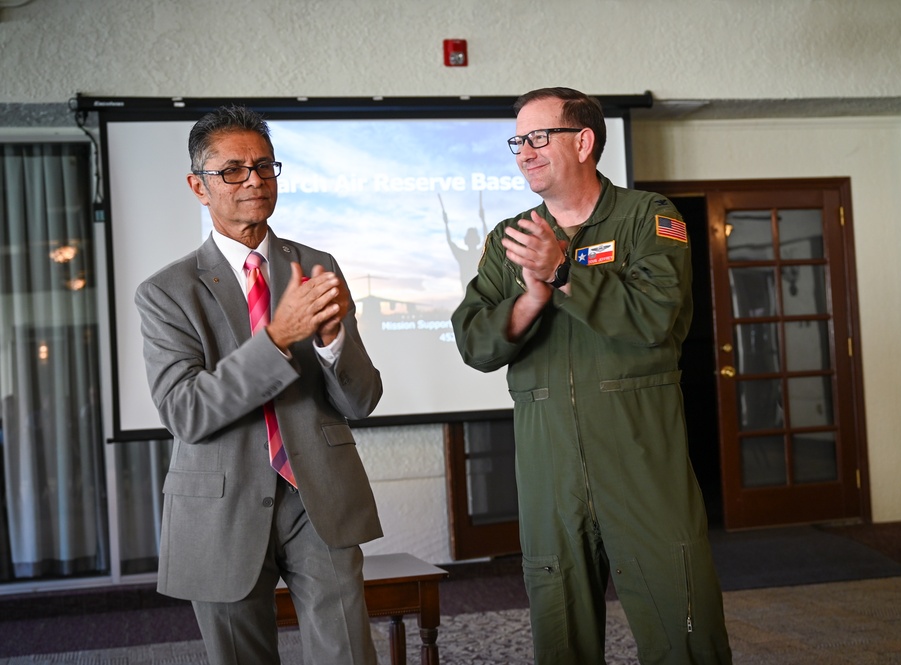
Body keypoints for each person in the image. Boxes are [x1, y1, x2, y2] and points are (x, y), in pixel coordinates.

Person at [451, 88, 732, 665]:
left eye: (538, 137)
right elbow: (474, 343)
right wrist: (527, 304)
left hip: (639, 457)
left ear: (583, 141)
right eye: (518, 141)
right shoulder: (511, 238)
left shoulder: (648, 218)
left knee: (683, 625)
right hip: (549, 461)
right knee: (560, 633)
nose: (524, 152)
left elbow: (654, 318)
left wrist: (561, 273)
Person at [135, 105, 382, 665]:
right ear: (199, 186)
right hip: (219, 504)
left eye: (265, 166)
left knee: (348, 652)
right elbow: (187, 412)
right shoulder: (166, 292)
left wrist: (331, 343)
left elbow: (361, 400)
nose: (254, 180)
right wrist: (277, 337)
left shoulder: (317, 265)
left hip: (318, 491)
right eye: (233, 170)